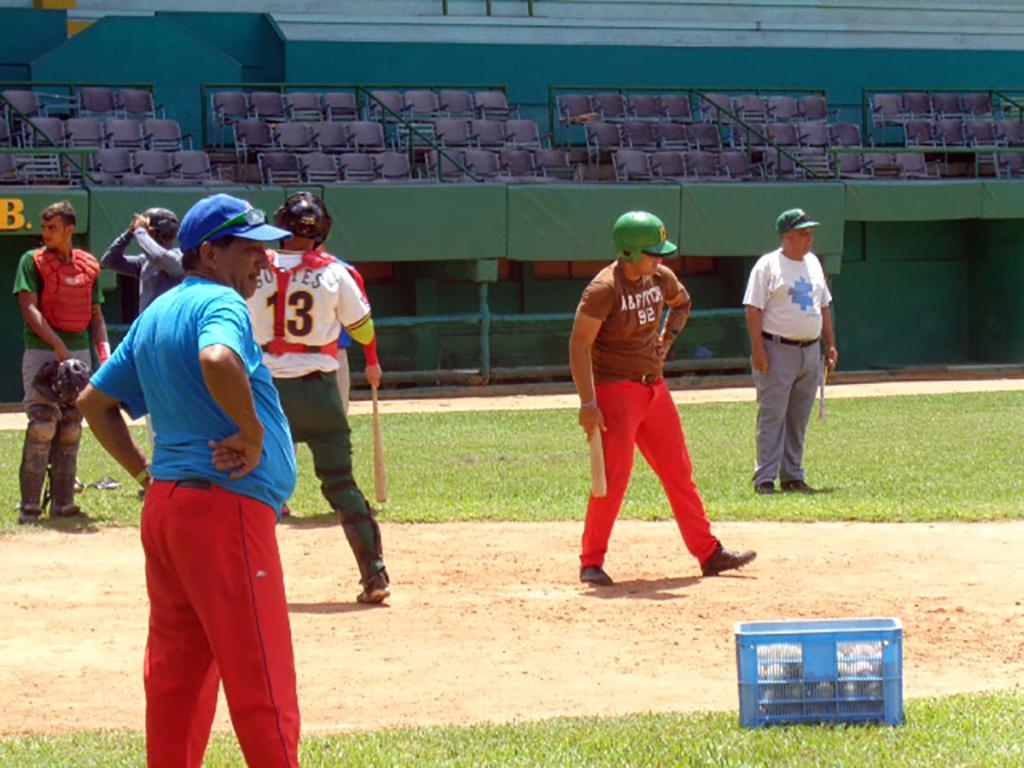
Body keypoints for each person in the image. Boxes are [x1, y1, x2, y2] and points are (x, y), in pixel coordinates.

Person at [76, 193, 301, 767]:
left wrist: (143, 473)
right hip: (224, 511)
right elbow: (219, 359)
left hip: (170, 510)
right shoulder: (219, 304)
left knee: (176, 675)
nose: (263, 261)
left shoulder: (156, 312)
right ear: (209, 252)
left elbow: (94, 402)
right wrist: (251, 434)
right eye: (250, 249)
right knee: (261, 677)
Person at [569, 211, 757, 586]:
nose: (659, 259)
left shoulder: (659, 277)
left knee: (678, 471)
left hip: (654, 388)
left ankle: (708, 553)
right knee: (615, 478)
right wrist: (588, 404)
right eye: (651, 252)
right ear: (627, 251)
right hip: (615, 389)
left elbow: (682, 303)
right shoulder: (603, 289)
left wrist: (666, 340)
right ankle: (591, 561)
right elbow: (578, 344)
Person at [248, 191, 390, 604]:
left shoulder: (256, 265)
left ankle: (248, 578)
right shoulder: (335, 272)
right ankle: (375, 574)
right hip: (321, 388)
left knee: (258, 488)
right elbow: (363, 330)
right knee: (341, 484)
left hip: (267, 391)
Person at [12, 200, 108, 523]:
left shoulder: (88, 265)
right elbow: (29, 309)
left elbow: (96, 315)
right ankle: (29, 507)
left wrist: (103, 353)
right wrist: (57, 347)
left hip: (80, 351)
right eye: (44, 228)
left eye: (52, 228)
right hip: (42, 351)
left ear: (70, 229)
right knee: (42, 424)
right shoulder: (32, 261)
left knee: (70, 426)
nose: (46, 234)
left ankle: (63, 503)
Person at [743, 208, 839, 495]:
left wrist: (830, 343)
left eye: (810, 233)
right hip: (777, 348)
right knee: (773, 414)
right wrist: (758, 349)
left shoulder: (813, 264)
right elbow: (753, 309)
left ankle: (792, 476)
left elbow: (824, 305)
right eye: (802, 234)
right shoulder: (768, 265)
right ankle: (764, 478)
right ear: (786, 237)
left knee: (798, 416)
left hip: (810, 350)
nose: (809, 239)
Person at [100, 207, 184, 312]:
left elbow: (159, 257)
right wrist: (129, 234)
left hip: (169, 324)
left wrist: (140, 231)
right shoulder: (144, 261)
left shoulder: (180, 258)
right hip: (147, 325)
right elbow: (109, 261)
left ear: (153, 232)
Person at [333, 259, 382, 415]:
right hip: (283, 360)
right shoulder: (343, 271)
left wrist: (372, 361)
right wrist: (372, 361)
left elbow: (363, 321)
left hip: (333, 355)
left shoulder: (346, 272)